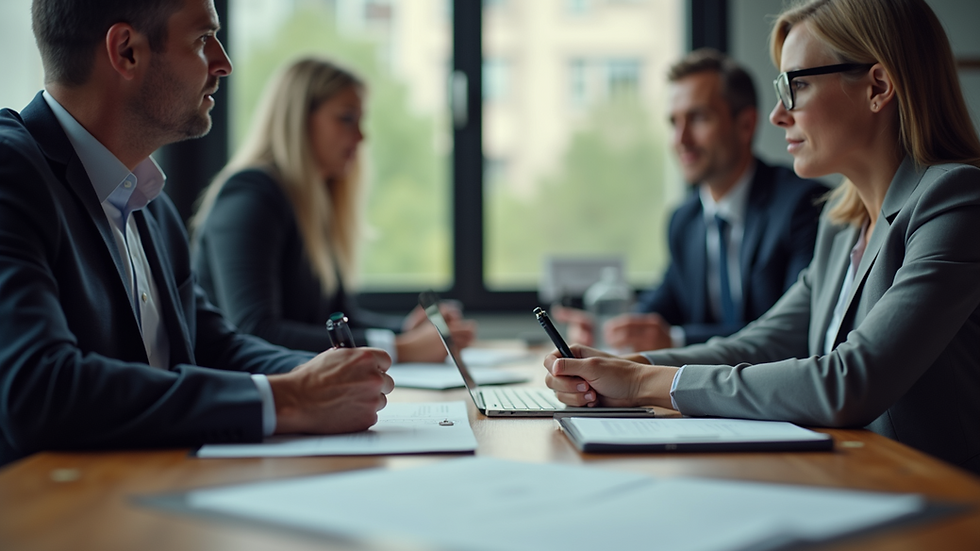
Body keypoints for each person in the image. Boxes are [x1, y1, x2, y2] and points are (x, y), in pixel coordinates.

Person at [543, 0, 980, 474]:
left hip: (942, 499)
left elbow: (851, 380)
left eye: (797, 85)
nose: (777, 114)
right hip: (855, 476)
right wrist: (626, 364)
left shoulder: (955, 202)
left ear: (877, 86)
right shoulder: (841, 224)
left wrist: (643, 381)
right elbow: (760, 343)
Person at [0, 0, 394, 467]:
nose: (223, 63)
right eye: (203, 39)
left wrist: (318, 374)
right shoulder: (12, 171)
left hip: (153, 493)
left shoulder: (148, 201)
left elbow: (214, 344)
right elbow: (37, 389)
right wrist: (287, 398)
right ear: (126, 51)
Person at [191, 57, 475, 363]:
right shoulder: (250, 196)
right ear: (299, 119)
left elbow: (338, 320)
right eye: (347, 118)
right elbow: (256, 330)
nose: (362, 136)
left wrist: (405, 330)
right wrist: (400, 349)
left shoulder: (312, 202)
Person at [555, 49, 827, 352]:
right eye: (674, 122)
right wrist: (609, 330)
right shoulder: (684, 221)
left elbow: (792, 331)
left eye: (697, 118)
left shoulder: (801, 205)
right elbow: (663, 304)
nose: (681, 139)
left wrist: (677, 340)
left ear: (746, 125)